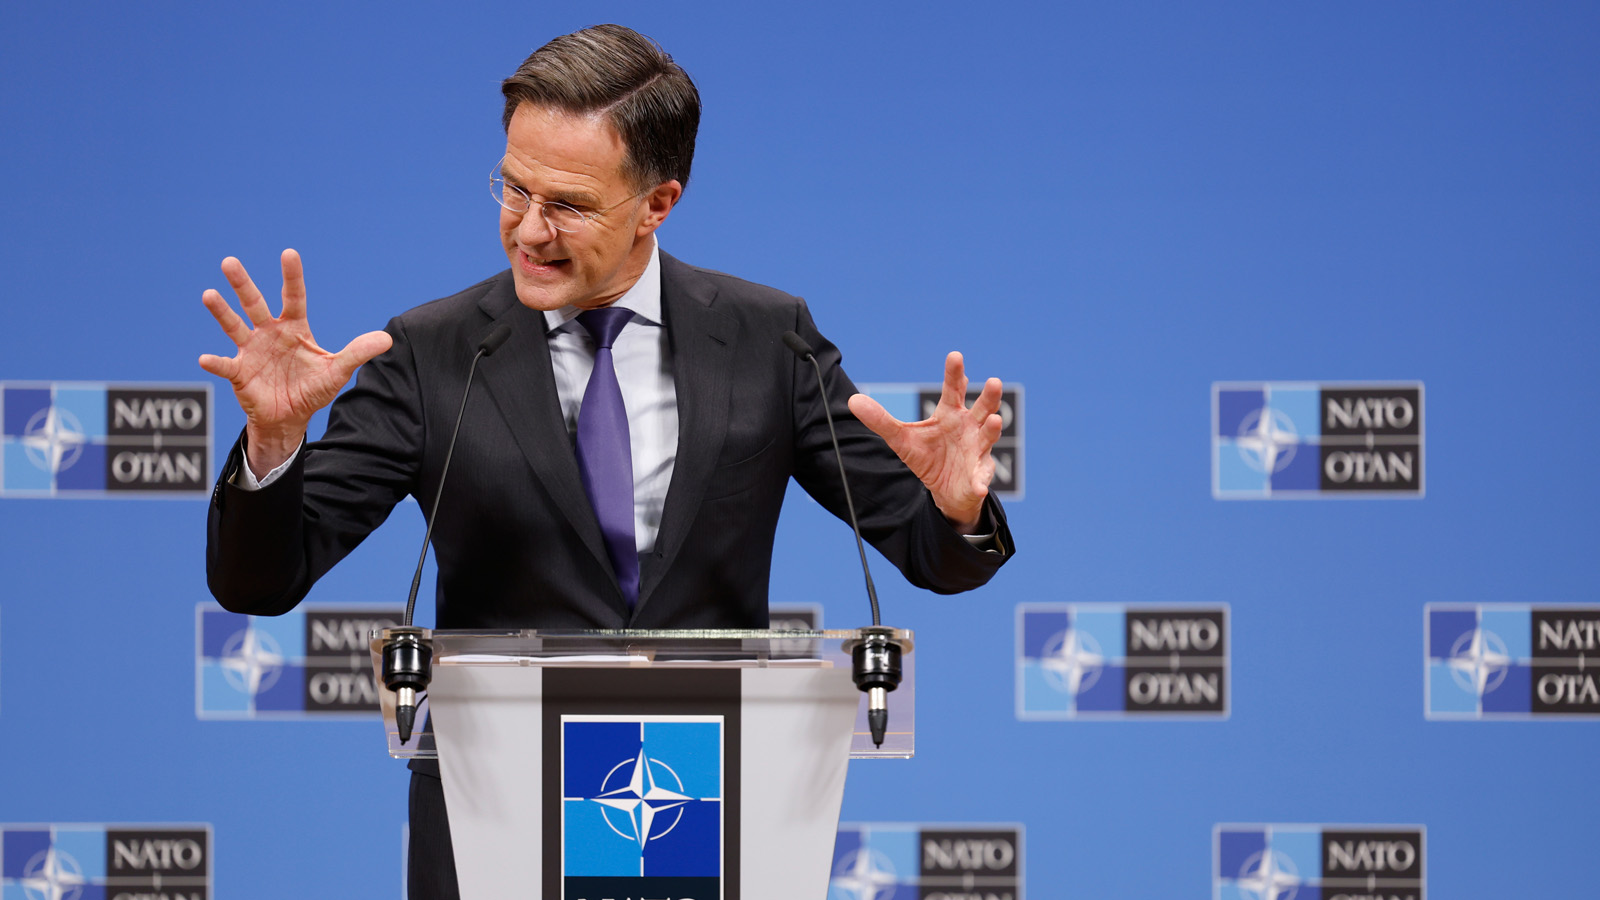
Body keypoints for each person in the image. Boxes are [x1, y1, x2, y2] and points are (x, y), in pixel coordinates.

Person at [199, 24, 1014, 900]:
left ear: (657, 203)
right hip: (495, 823)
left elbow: (932, 555)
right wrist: (274, 444)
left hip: (703, 808)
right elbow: (260, 583)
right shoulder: (432, 353)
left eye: (569, 204)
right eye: (514, 188)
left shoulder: (769, 339)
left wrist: (955, 508)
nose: (529, 230)